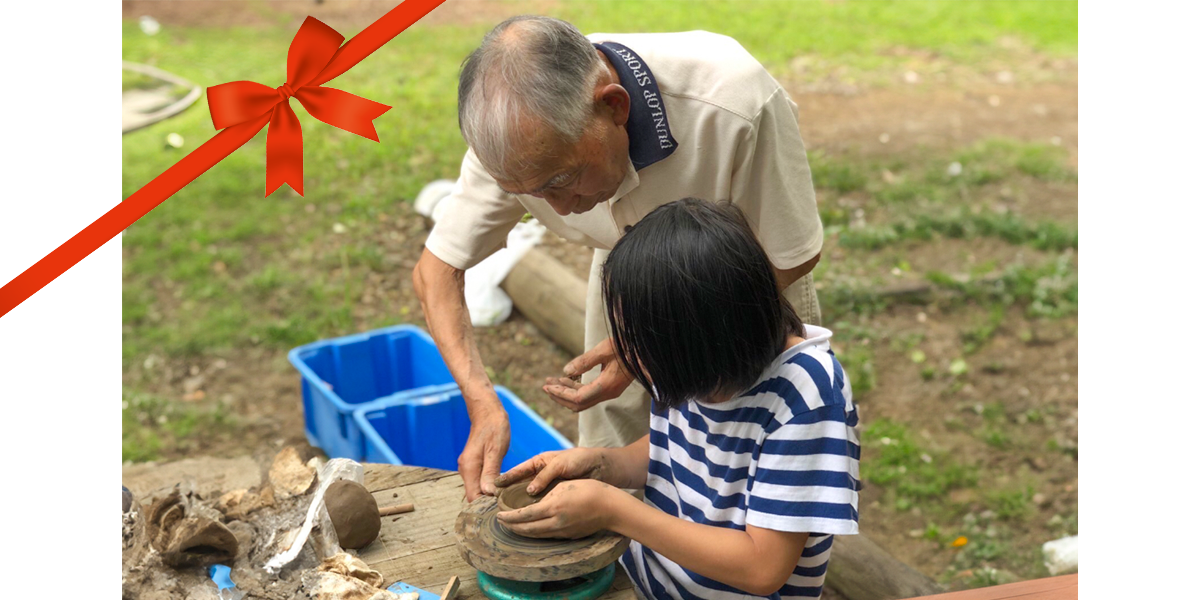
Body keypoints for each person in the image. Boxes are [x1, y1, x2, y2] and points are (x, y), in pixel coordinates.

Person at [413, 15, 825, 501]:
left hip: (744, 282)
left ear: (613, 106)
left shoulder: (734, 102)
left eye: (561, 181)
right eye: (528, 194)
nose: (559, 208)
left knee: (745, 455)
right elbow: (435, 272)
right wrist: (482, 403)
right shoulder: (517, 141)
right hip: (626, 270)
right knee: (609, 450)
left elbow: (789, 254)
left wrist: (651, 340)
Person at [493, 199, 860, 600]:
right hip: (647, 584)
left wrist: (614, 510)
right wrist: (602, 465)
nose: (626, 356)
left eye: (639, 341)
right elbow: (675, 451)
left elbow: (763, 568)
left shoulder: (805, 396)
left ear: (700, 336)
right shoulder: (706, 366)